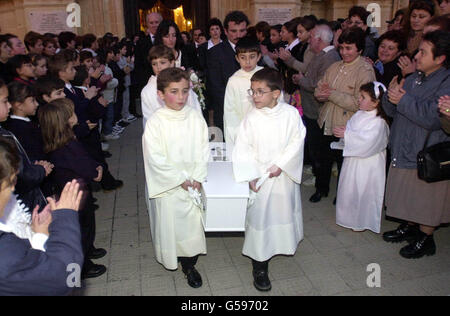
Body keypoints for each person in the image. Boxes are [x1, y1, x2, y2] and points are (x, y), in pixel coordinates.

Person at [232, 68, 305, 292]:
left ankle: (279, 247)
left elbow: (297, 139)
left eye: (260, 92)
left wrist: (281, 164)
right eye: (252, 91)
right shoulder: (252, 117)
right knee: (260, 219)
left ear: (276, 93)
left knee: (281, 215)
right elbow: (242, 147)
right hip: (260, 178)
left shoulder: (290, 114)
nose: (255, 97)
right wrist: (251, 173)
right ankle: (260, 265)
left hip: (282, 176)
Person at [381, 30, 450, 259]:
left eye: (423, 52)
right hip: (404, 146)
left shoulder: (446, 82)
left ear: (440, 58)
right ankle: (410, 227)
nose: (417, 56)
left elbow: (433, 118)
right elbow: (393, 111)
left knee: (426, 198)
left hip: (427, 150)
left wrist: (404, 100)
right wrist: (389, 97)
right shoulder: (414, 78)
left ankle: (425, 238)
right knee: (407, 193)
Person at [142, 68, 209, 288]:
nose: (181, 97)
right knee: (173, 227)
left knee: (192, 227)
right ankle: (178, 259)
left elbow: (202, 147)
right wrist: (180, 179)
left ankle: (190, 265)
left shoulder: (194, 116)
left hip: (193, 182)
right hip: (171, 187)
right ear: (160, 94)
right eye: (173, 92)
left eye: (184, 91)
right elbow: (155, 158)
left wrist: (197, 176)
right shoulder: (156, 122)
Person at [0, 134, 84, 299]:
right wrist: (65, 219)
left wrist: (38, 236)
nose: (12, 190)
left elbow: (27, 274)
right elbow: (68, 279)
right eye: (11, 182)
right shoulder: (5, 251)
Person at [38, 98, 107, 279]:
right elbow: (83, 165)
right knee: (82, 230)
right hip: (77, 194)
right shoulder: (68, 145)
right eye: (72, 113)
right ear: (67, 120)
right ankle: (81, 269)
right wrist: (96, 171)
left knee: (83, 229)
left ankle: (87, 253)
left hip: (71, 192)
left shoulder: (59, 143)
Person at [312, 27, 376, 204]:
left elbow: (360, 102)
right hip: (325, 120)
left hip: (346, 125)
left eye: (349, 48)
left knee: (343, 164)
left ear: (360, 49)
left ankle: (342, 195)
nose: (344, 52)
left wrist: (331, 94)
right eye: (341, 48)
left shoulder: (365, 70)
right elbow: (319, 88)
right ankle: (321, 189)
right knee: (322, 160)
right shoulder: (334, 66)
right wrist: (321, 94)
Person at [334, 82, 389, 233]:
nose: (359, 100)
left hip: (368, 164)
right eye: (360, 96)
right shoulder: (360, 114)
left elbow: (369, 142)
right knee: (350, 189)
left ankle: (362, 220)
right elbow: (354, 131)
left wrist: (347, 135)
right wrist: (345, 132)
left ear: (376, 102)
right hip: (353, 161)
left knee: (363, 190)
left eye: (363, 97)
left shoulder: (379, 122)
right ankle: (348, 217)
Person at [295, 24, 341, 188]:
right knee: (316, 150)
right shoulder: (320, 54)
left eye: (312, 36)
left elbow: (318, 86)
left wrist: (301, 80)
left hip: (318, 112)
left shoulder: (329, 58)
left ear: (320, 39)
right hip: (311, 110)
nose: (309, 40)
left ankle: (322, 187)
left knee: (322, 152)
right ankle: (319, 177)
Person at [207, 10, 250, 132]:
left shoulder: (254, 50)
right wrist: (236, 106)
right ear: (225, 31)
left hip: (251, 111)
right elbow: (215, 87)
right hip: (226, 111)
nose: (238, 35)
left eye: (242, 31)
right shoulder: (215, 53)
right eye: (233, 31)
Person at [141, 45, 201, 128]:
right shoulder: (148, 90)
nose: (158, 67)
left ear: (172, 63)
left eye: (162, 62)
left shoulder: (182, 82)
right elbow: (149, 119)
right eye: (154, 64)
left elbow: (195, 109)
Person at [223, 37, 263, 150]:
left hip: (265, 130)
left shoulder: (267, 76)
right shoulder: (234, 81)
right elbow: (230, 112)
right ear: (237, 58)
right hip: (243, 132)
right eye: (243, 57)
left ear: (259, 56)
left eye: (252, 56)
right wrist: (235, 137)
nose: (248, 62)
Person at [4, 82, 44, 162]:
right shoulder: (18, 129)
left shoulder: (30, 122)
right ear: (19, 105)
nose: (37, 104)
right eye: (32, 100)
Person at [134, 12, 162, 91]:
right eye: (151, 23)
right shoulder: (141, 42)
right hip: (148, 84)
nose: (154, 25)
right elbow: (138, 65)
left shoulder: (167, 41)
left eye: (157, 22)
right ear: (147, 24)